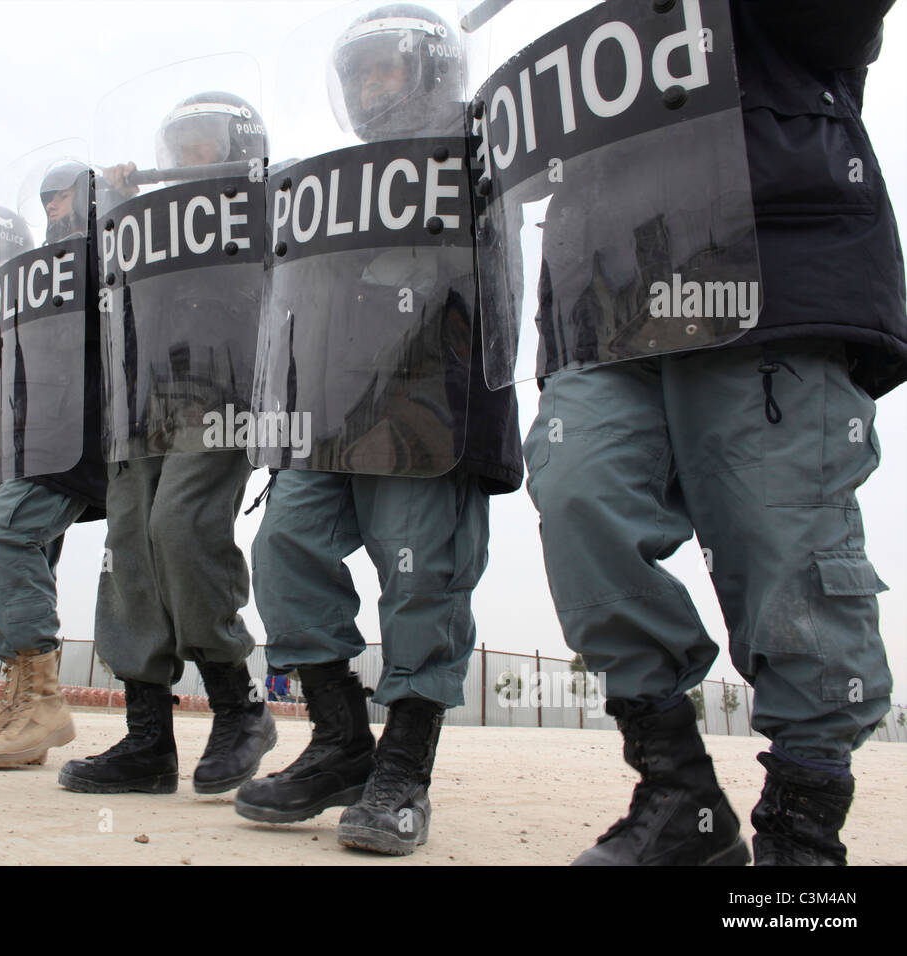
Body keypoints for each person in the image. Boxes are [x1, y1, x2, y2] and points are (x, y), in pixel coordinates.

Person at [516, 0, 904, 865]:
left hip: (769, 285)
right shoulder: (605, 40)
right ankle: (680, 796)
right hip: (607, 303)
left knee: (787, 545)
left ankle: (802, 829)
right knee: (580, 493)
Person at [232, 4, 522, 856]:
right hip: (330, 410)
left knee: (421, 577)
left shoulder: (481, 150)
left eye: (384, 68)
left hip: (438, 399)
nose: (366, 87)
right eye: (356, 74)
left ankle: (404, 768)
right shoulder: (331, 178)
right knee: (284, 548)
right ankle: (339, 741)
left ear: (432, 72)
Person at [58, 84, 276, 795]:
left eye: (204, 140)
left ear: (239, 145)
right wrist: (117, 210)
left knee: (180, 527)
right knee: (130, 550)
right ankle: (148, 740)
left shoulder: (260, 202)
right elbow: (96, 292)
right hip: (141, 392)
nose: (188, 153)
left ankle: (239, 704)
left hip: (225, 385)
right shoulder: (146, 220)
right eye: (178, 143)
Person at [0, 162, 106, 768]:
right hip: (30, 433)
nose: (54, 204)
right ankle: (22, 698)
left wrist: (123, 195)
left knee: (3, 540)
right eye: (47, 198)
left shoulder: (105, 247)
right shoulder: (32, 273)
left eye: (66, 195)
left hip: (75, 428)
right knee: (28, 554)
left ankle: (44, 702)